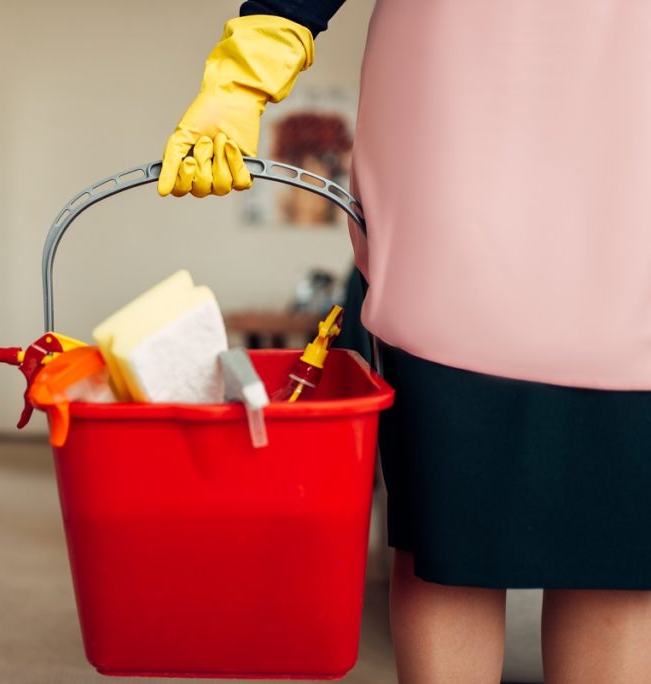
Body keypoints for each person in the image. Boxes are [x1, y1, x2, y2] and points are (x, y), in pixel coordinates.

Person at [158, 2, 651, 682]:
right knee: (449, 540)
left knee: (620, 550)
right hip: (455, 151)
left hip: (627, 164)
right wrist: (246, 70)